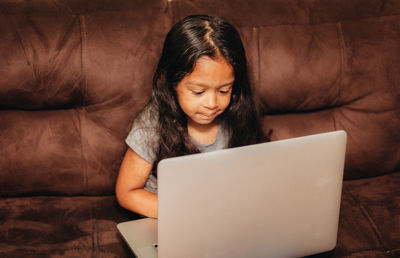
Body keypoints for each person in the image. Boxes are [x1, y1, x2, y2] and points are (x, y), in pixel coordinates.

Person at [115, 14, 266, 218]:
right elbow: (127, 193)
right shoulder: (153, 122)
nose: (212, 104)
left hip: (220, 214)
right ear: (171, 82)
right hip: (171, 216)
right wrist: (186, 215)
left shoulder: (237, 111)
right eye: (198, 92)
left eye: (224, 91)